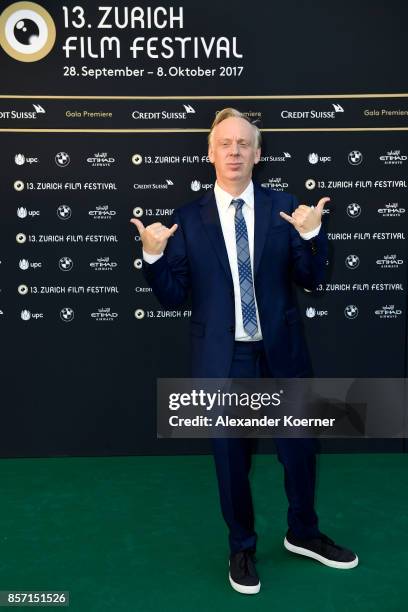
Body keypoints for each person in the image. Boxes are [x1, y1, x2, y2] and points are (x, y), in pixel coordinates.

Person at [130, 108, 358, 595]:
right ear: (210, 153)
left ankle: (304, 533)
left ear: (258, 153)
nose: (234, 151)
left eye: (243, 144)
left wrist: (312, 235)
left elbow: (313, 279)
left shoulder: (284, 206)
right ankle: (242, 546)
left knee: (299, 451)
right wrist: (152, 256)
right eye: (225, 143)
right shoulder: (187, 219)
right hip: (224, 358)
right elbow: (174, 296)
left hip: (282, 353)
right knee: (231, 459)